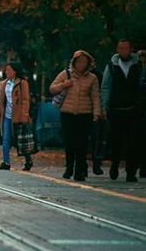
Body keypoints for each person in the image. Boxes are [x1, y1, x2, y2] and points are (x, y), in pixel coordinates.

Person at [49, 52, 101, 180]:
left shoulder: (92, 78)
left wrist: (97, 113)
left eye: (84, 62)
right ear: (74, 62)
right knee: (70, 143)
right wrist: (64, 85)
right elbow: (52, 88)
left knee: (82, 144)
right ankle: (69, 167)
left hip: (85, 114)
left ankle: (79, 171)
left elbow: (95, 96)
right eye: (79, 62)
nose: (81, 65)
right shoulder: (65, 74)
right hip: (68, 113)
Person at [100, 39, 144, 182]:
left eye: (125, 48)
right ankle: (115, 164)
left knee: (133, 142)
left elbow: (141, 84)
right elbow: (106, 86)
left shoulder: (138, 65)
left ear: (131, 49)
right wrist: (104, 106)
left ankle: (131, 171)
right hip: (116, 109)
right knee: (116, 140)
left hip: (133, 109)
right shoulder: (112, 66)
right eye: (120, 48)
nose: (123, 51)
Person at [0, 63, 33, 172]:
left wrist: (25, 115)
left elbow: (26, 100)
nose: (7, 72)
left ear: (15, 71)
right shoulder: (3, 84)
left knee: (20, 140)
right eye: (6, 70)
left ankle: (28, 160)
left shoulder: (22, 83)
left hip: (18, 115)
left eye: (9, 70)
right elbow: (1, 102)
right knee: (6, 138)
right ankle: (6, 162)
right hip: (7, 115)